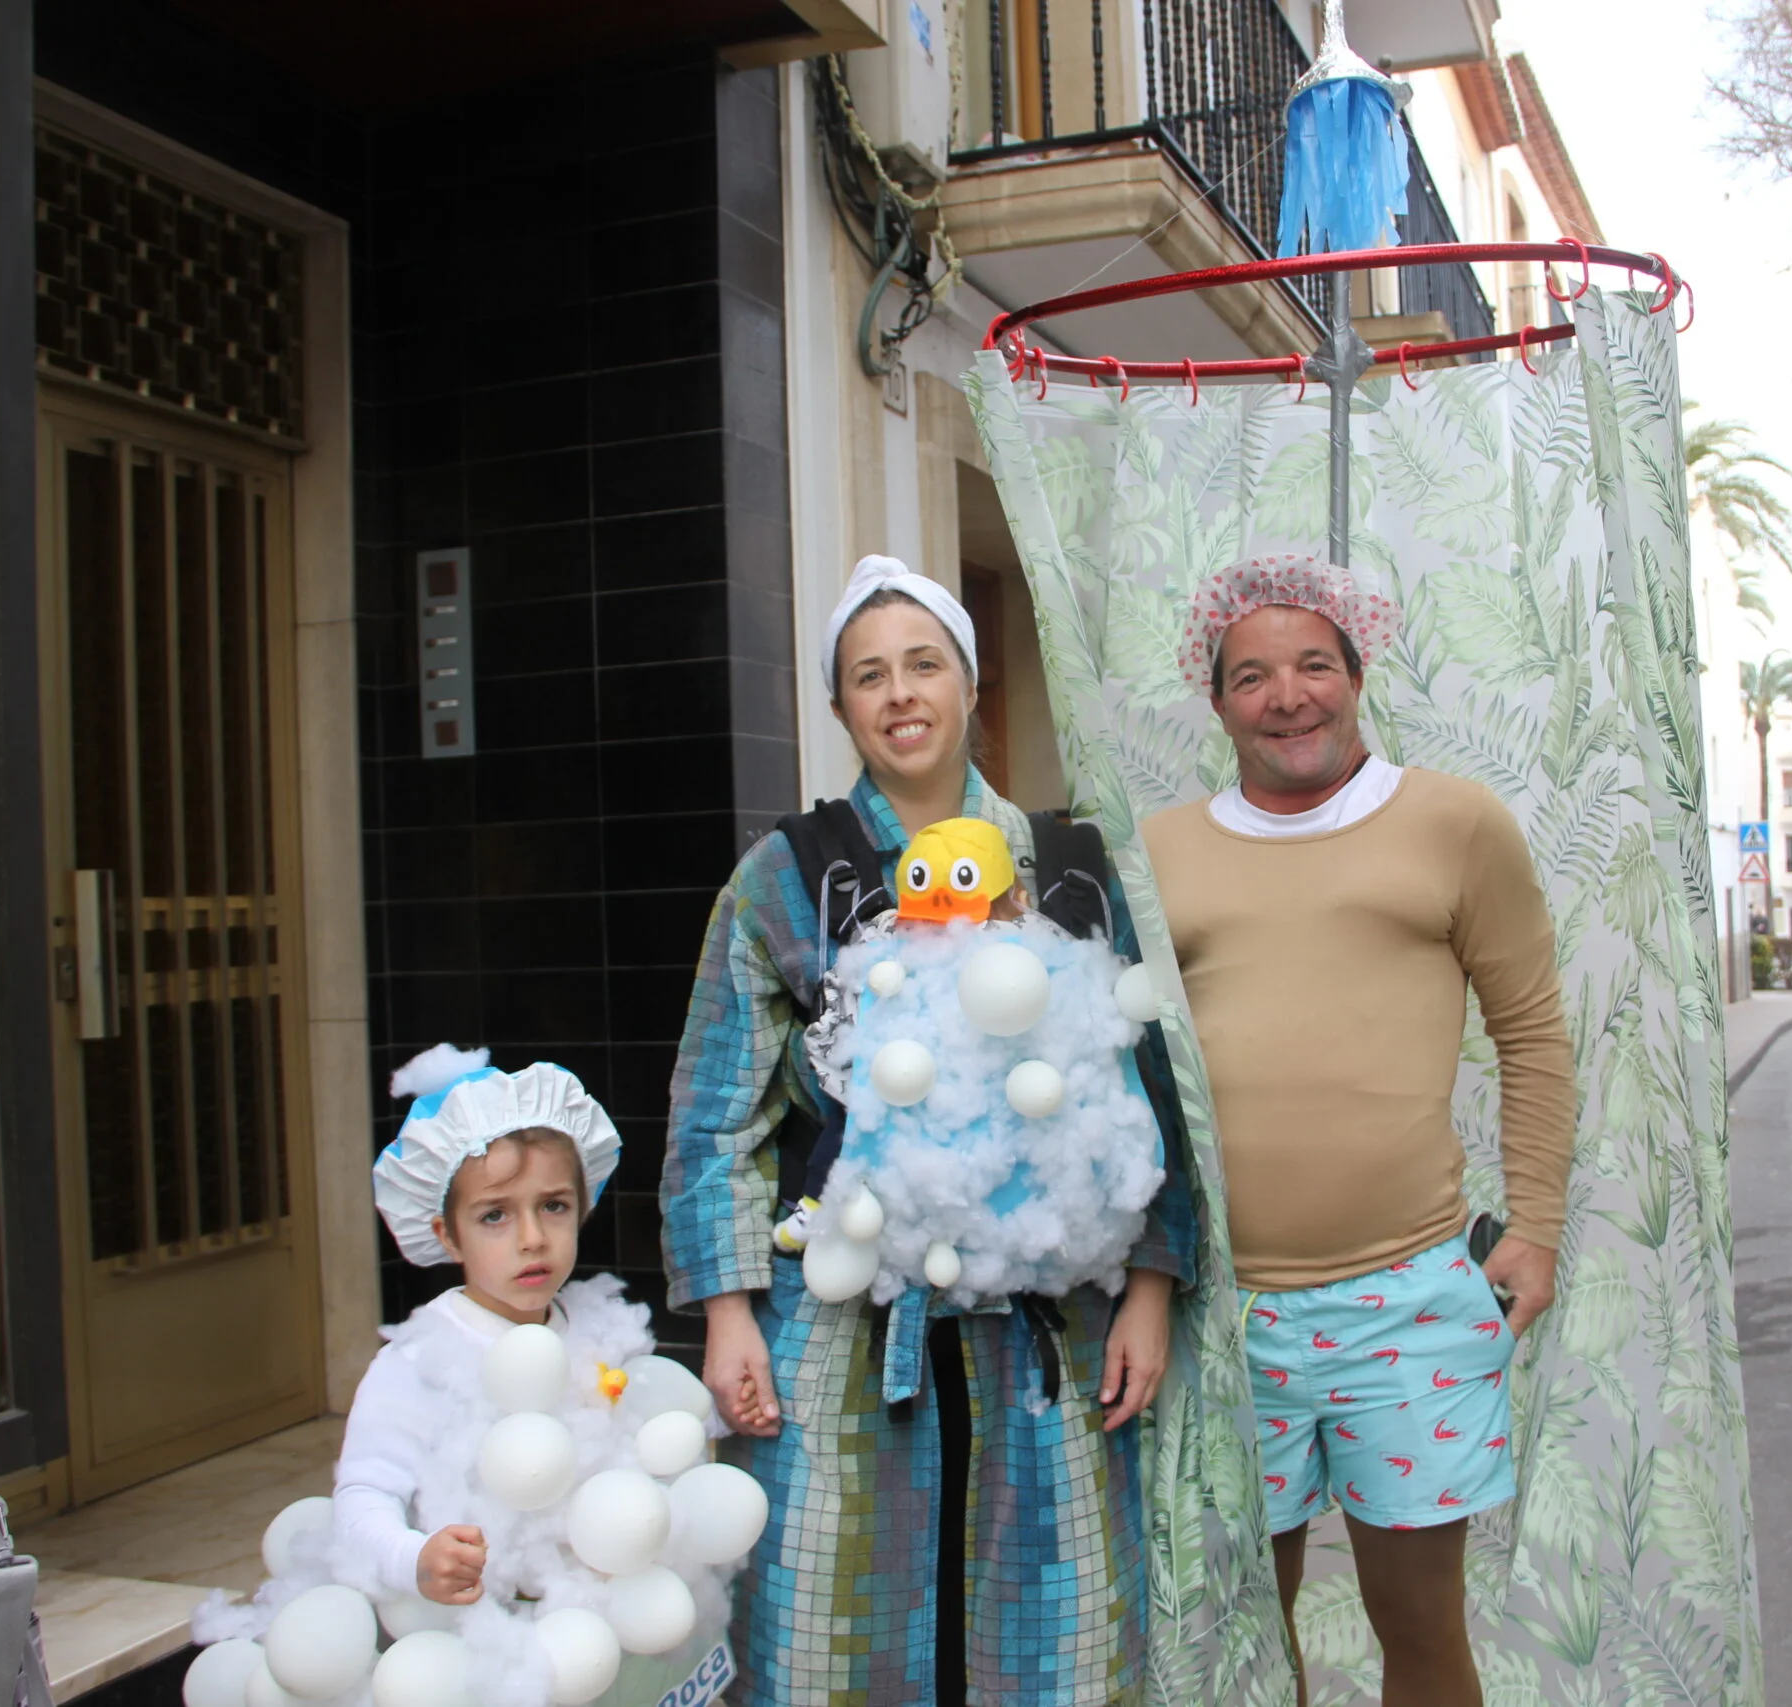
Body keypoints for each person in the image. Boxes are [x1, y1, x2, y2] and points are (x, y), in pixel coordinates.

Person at [663, 554, 1196, 1706]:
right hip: (840, 1314)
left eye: (923, 665)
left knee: (1050, 1634)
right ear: (841, 706)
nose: (899, 694)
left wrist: (1149, 1288)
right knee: (824, 1619)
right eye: (867, 675)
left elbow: (1149, 1093)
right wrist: (726, 1315)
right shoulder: (781, 881)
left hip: (1047, 1332)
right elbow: (716, 1116)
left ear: (968, 681)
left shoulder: (1070, 867)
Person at [1140, 554, 1577, 1707]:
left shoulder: (1453, 825)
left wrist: (1533, 1223)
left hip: (1414, 1298)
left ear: (1358, 672)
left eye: (1313, 665)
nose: (1288, 696)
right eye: (1252, 676)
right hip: (1223, 1313)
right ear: (1217, 699)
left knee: (1421, 1630)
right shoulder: (1160, 853)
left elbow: (1531, 1031)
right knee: (1245, 1632)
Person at [331, 1046, 630, 1605]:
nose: (532, 1237)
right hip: (479, 1634)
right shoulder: (422, 1361)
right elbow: (363, 1495)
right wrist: (413, 1558)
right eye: (495, 1215)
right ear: (446, 1235)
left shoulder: (595, 1330)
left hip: (588, 1620)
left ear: (584, 1204)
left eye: (554, 1206)